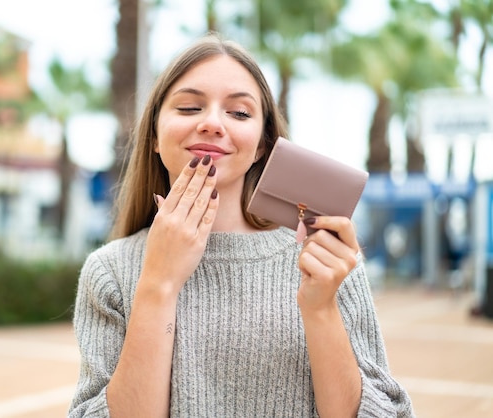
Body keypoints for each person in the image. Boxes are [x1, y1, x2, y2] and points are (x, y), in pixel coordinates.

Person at [68, 32, 414, 418]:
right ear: (153, 136)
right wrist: (159, 283)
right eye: (188, 108)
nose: (213, 124)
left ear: (263, 146)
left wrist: (320, 309)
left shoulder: (324, 258)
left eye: (239, 113)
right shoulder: (110, 271)